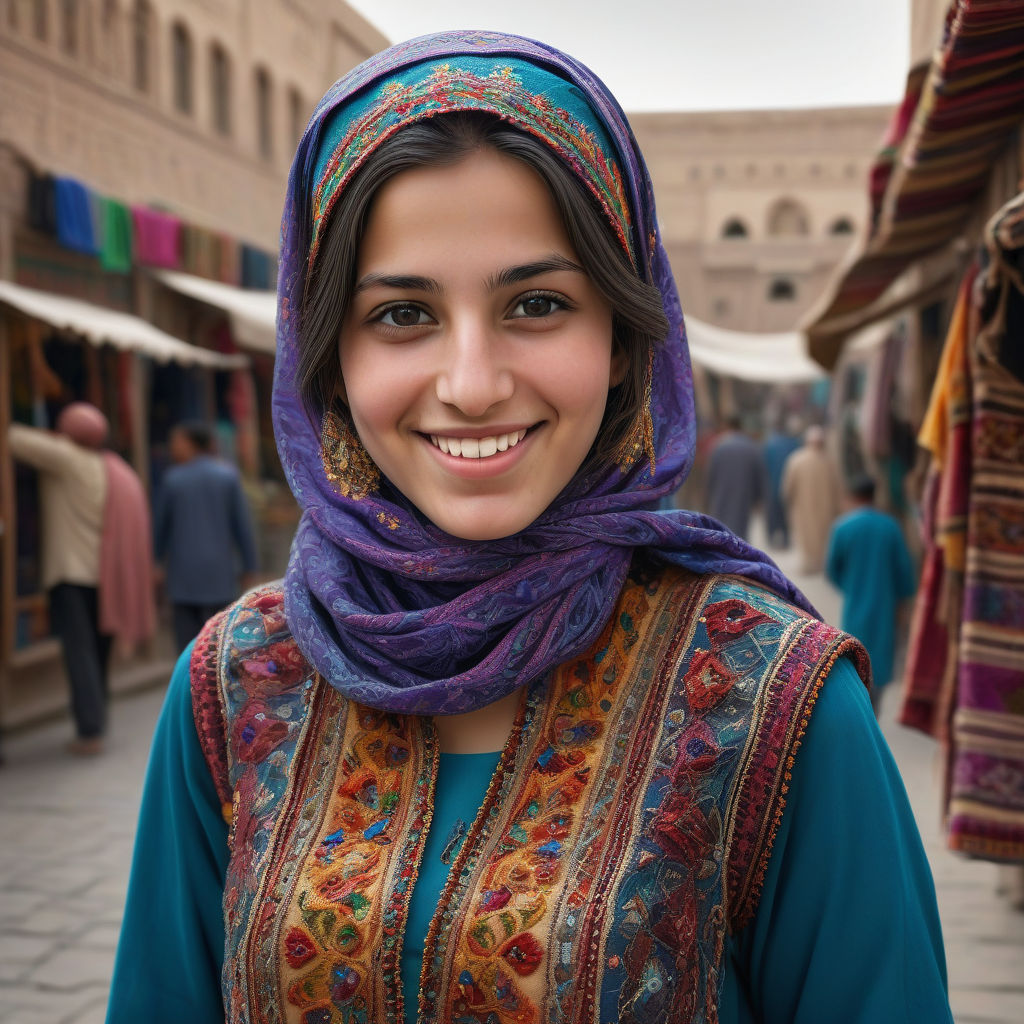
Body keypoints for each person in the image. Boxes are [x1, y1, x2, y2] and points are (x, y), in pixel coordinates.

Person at [107, 32, 952, 1023]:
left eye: (537, 304)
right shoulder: (237, 681)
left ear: (624, 337)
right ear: (327, 353)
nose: (471, 385)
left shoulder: (777, 700)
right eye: (401, 315)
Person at [8, 402, 154, 754]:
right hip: (107, 575)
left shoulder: (66, 457)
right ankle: (96, 718)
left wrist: (48, 436)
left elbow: (12, 436)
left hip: (72, 574)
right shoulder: (115, 468)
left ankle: (90, 730)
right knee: (98, 651)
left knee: (79, 650)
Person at [154, 420, 259, 653]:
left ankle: (191, 687)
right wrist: (249, 565)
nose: (173, 448)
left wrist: (156, 561)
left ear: (190, 443)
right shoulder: (227, 476)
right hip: (219, 572)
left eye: (176, 442)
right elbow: (242, 526)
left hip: (183, 574)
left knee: (187, 644)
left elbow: (160, 528)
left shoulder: (173, 479)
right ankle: (217, 686)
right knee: (220, 640)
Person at [826, 475, 916, 716]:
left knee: (856, 652)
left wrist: (850, 586)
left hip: (856, 602)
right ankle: (874, 705)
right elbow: (904, 571)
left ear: (853, 498)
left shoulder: (843, 527)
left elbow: (832, 569)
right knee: (882, 653)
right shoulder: (890, 527)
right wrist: (904, 598)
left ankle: (861, 704)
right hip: (887, 604)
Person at [781, 424, 841, 573]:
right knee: (823, 536)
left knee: (805, 535)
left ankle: (809, 564)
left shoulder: (796, 459)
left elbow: (787, 487)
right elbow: (837, 487)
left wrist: (787, 501)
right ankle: (822, 564)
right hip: (826, 508)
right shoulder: (829, 461)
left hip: (803, 508)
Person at [704, 415, 764, 539]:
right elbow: (758, 474)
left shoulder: (719, 446)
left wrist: (708, 496)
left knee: (722, 528)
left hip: (721, 495)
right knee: (741, 530)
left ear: (727, 427)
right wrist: (758, 497)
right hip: (744, 496)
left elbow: (711, 475)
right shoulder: (751, 447)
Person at [761, 415, 801, 548]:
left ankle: (772, 538)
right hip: (786, 484)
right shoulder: (793, 443)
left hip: (771, 484)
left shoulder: (769, 443)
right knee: (786, 511)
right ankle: (786, 538)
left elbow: (763, 465)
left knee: (772, 512)